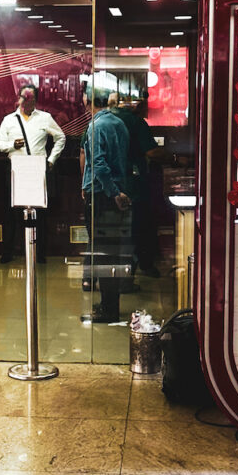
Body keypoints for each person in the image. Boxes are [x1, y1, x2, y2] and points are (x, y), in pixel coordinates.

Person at [111, 90, 183, 278]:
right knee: (141, 223)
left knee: (121, 227)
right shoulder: (136, 123)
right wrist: (174, 158)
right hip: (134, 180)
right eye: (145, 104)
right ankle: (142, 264)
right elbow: (151, 152)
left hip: (113, 180)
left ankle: (124, 268)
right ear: (137, 104)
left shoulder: (106, 119)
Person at [0, 83, 66, 264]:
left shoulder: (45, 118)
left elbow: (60, 137)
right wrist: (12, 146)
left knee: (39, 213)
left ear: (36, 100)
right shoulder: (9, 119)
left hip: (36, 168)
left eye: (30, 98)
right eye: (24, 98)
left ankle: (40, 254)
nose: (27, 101)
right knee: (12, 213)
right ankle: (8, 252)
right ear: (18, 99)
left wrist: (51, 160)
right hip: (15, 168)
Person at [81, 82, 132, 323]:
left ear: (87, 100)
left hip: (103, 195)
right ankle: (110, 304)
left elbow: (99, 165)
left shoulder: (95, 126)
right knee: (113, 254)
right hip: (117, 193)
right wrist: (120, 192)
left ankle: (108, 309)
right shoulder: (119, 123)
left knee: (102, 254)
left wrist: (112, 193)